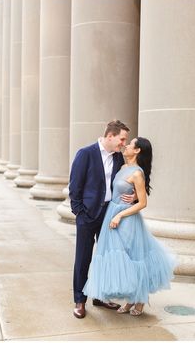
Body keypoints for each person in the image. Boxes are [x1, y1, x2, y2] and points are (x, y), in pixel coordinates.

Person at [83, 137, 176, 316]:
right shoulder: (123, 168)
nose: (125, 146)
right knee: (122, 260)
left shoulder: (137, 173)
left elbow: (142, 203)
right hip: (113, 215)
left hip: (127, 219)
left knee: (132, 258)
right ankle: (130, 299)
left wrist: (120, 214)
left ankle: (139, 300)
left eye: (130, 144)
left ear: (137, 150)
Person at [69, 120, 136, 319]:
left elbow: (130, 180)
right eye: (121, 139)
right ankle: (80, 300)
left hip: (110, 214)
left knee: (105, 257)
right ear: (110, 136)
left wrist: (135, 197)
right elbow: (75, 186)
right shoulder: (86, 153)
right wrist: (79, 212)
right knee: (83, 258)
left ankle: (100, 295)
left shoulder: (118, 158)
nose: (124, 143)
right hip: (87, 216)